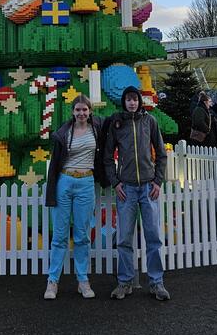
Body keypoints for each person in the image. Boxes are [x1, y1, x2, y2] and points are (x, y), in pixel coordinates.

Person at [104, 86, 170, 301]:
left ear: (140, 101)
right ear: (124, 102)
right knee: (124, 238)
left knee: (153, 237)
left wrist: (158, 181)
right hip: (128, 189)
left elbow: (161, 153)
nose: (132, 103)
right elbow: (107, 157)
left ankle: (156, 282)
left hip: (148, 187)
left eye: (135, 99)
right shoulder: (117, 123)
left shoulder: (149, 121)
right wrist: (115, 182)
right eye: (128, 99)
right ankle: (125, 282)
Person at [43, 94, 107, 300]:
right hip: (65, 181)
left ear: (90, 112)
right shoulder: (64, 132)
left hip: (86, 182)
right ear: (73, 111)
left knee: (82, 235)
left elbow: (116, 122)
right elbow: (55, 162)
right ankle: (53, 281)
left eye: (85, 110)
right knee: (60, 235)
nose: (81, 113)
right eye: (78, 110)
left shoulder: (97, 128)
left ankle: (82, 280)